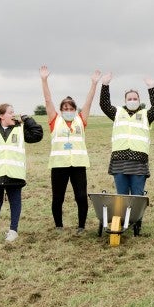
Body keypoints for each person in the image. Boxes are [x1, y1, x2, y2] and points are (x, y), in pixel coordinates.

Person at [40, 66, 101, 233]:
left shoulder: (81, 120)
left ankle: (81, 226)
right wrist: (44, 80)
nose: (68, 111)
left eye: (71, 108)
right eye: (65, 109)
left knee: (81, 197)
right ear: (61, 110)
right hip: (59, 165)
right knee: (57, 198)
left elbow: (89, 101)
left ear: (75, 110)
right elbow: (47, 100)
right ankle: (59, 226)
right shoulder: (55, 120)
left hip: (78, 164)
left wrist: (94, 84)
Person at [99, 74, 154, 235]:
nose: (132, 100)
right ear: (125, 100)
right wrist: (105, 85)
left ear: (139, 100)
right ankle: (122, 222)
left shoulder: (147, 114)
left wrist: (151, 87)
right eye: (130, 98)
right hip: (119, 162)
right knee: (121, 197)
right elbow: (104, 104)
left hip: (138, 163)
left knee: (137, 196)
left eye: (135, 98)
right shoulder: (117, 113)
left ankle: (137, 225)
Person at [0, 104, 44, 242]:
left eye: (13, 112)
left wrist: (27, 119)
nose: (13, 114)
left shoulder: (20, 128)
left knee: (15, 201)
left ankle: (13, 230)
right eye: (10, 112)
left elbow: (37, 135)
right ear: (1, 116)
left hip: (14, 172)